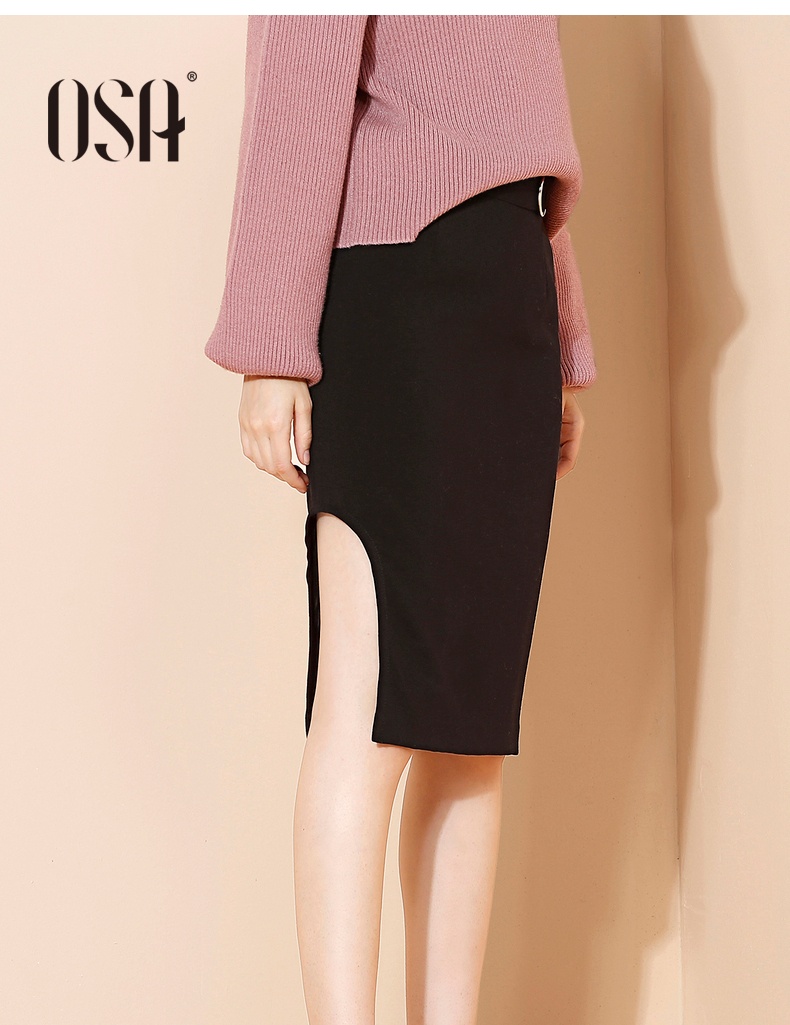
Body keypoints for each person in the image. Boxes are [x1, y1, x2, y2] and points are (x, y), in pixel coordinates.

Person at [204, 15, 597, 1024]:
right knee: (368, 709)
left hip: (508, 285)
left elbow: (519, 119)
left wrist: (561, 336)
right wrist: (270, 347)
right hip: (399, 286)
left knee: (471, 729)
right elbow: (297, 86)